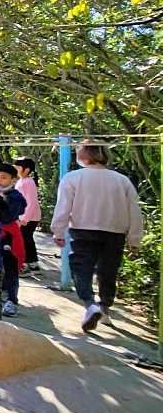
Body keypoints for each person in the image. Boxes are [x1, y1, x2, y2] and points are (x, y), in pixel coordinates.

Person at [50, 141, 144, 332]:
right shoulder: (121, 180)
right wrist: (134, 238)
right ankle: (105, 309)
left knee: (80, 268)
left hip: (83, 229)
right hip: (115, 232)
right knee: (108, 271)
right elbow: (134, 210)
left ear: (83, 154)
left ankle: (89, 304)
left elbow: (63, 207)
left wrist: (58, 230)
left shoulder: (73, 178)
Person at [0, 163, 28, 316]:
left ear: (13, 180)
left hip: (9, 236)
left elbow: (7, 217)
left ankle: (11, 300)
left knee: (10, 269)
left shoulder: (16, 198)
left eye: (4, 177)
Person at [13, 157, 41, 272]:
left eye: (18, 167)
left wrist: (25, 218)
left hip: (29, 217)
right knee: (26, 239)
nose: (16, 169)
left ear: (27, 170)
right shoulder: (22, 181)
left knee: (26, 239)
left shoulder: (28, 182)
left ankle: (29, 262)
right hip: (25, 216)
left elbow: (31, 201)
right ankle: (31, 262)